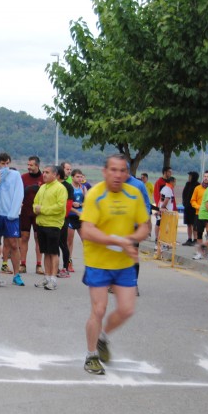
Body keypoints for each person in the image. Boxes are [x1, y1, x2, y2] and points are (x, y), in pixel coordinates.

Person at [80, 154, 149, 375]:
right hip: (98, 261)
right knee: (99, 309)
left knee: (127, 309)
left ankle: (103, 338)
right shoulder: (95, 195)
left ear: (127, 174)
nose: (118, 175)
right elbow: (87, 230)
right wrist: (115, 240)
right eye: (113, 170)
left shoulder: (134, 194)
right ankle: (91, 356)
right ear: (105, 172)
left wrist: (130, 240)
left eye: (122, 171)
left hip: (124, 262)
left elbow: (144, 226)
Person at [33, 165, 68, 290]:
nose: (44, 174)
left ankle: (53, 279)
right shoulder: (42, 187)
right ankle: (47, 277)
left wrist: (42, 210)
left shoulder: (60, 188)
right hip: (41, 223)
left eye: (47, 172)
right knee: (46, 252)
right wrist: (36, 209)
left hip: (53, 224)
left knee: (53, 252)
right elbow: (35, 202)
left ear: (55, 175)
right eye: (44, 172)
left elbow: (59, 207)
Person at [0, 152, 25, 286]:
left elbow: (19, 193)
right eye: (2, 164)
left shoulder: (15, 175)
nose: (5, 166)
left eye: (7, 163)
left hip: (11, 215)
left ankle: (16, 274)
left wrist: (14, 213)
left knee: (14, 244)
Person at [19, 156, 44, 275]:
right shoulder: (23, 177)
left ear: (37, 166)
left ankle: (39, 265)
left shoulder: (44, 178)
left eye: (31, 165)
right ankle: (22, 264)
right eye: (28, 165)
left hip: (39, 213)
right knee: (24, 237)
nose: (28, 167)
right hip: (25, 212)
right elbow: (18, 193)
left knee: (38, 238)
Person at [67, 168, 88, 271]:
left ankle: (89, 263)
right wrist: (74, 208)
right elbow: (66, 204)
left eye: (81, 176)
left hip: (81, 217)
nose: (80, 179)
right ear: (72, 177)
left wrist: (79, 204)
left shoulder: (83, 188)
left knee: (86, 240)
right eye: (77, 177)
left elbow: (87, 202)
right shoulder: (69, 188)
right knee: (69, 241)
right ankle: (69, 262)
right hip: (71, 217)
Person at [190, 172, 208, 259]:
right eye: (205, 176)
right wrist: (198, 207)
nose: (206, 178)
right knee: (199, 233)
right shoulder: (197, 188)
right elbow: (193, 200)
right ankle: (199, 253)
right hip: (199, 213)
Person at [182, 171, 200, 245]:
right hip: (187, 207)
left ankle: (195, 239)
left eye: (190, 176)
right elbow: (184, 193)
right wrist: (184, 202)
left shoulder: (198, 185)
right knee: (188, 223)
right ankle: (189, 238)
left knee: (194, 223)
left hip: (194, 208)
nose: (189, 177)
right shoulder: (187, 184)